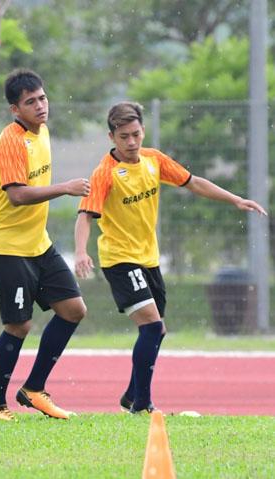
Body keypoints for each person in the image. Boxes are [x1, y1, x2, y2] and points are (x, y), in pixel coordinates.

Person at [74, 101, 267, 413]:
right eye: (124, 137)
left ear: (143, 131)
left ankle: (131, 394)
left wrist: (235, 199)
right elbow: (85, 216)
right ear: (112, 138)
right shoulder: (105, 173)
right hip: (120, 260)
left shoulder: (154, 160)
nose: (132, 142)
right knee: (152, 327)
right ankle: (141, 404)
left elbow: (194, 183)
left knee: (157, 330)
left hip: (149, 259)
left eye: (136, 134)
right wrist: (81, 252)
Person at [0, 69, 90, 422]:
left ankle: (33, 389)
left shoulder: (42, 132)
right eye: (31, 102)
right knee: (19, 325)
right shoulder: (12, 140)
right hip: (6, 245)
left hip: (37, 243)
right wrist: (65, 188)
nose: (41, 106)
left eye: (42, 98)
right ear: (15, 109)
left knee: (73, 309)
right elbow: (16, 196)